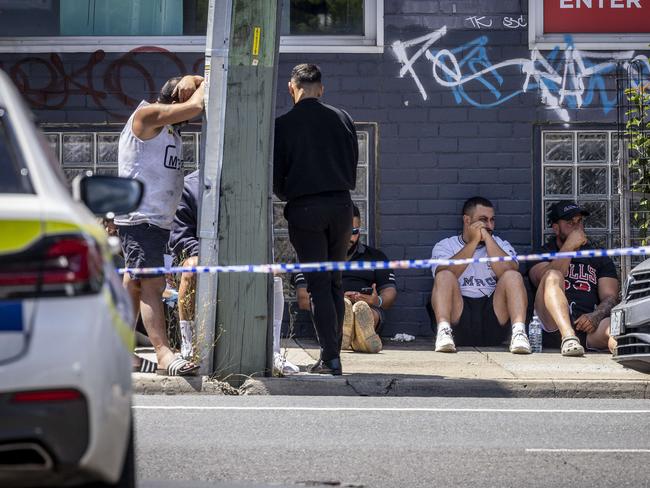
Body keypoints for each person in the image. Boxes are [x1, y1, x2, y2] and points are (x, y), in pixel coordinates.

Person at [115, 74, 205, 376]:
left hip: (157, 221)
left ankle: (120, 351)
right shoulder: (147, 115)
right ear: (173, 101)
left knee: (134, 283)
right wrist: (207, 79)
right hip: (142, 218)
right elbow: (195, 106)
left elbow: (191, 104)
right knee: (151, 284)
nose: (187, 121)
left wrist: (194, 77)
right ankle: (164, 354)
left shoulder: (167, 130)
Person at [273, 63, 358, 375]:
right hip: (341, 205)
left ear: (292, 88)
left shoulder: (283, 125)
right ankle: (332, 355)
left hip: (305, 207)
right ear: (321, 88)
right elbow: (353, 163)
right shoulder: (343, 118)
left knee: (318, 285)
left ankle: (331, 359)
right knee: (334, 282)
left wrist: (291, 195)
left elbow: (276, 176)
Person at [430, 196, 531, 354]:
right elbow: (446, 274)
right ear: (467, 220)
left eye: (492, 220)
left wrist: (488, 239)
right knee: (444, 275)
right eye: (483, 220)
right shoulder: (445, 245)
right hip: (459, 316)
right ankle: (443, 331)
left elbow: (508, 271)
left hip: (493, 317)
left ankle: (519, 332)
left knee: (513, 276)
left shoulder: (501, 244)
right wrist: (473, 243)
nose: (489, 226)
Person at [294, 205, 397, 353]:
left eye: (353, 231)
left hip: (369, 309)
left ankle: (351, 335)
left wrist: (376, 301)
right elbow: (304, 300)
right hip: (330, 312)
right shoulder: (312, 258)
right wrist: (337, 299)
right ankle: (358, 339)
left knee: (363, 310)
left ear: (359, 230)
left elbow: (390, 292)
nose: (349, 237)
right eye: (344, 231)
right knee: (341, 307)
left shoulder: (376, 257)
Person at [527, 201, 619, 356]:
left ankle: (625, 358)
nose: (577, 227)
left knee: (613, 328)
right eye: (570, 223)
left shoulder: (597, 256)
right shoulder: (543, 252)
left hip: (587, 326)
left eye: (579, 222)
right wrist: (569, 246)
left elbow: (610, 297)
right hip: (551, 324)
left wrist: (596, 316)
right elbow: (540, 279)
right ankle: (568, 336)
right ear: (556, 228)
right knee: (553, 275)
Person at [168, 170, 199, 360]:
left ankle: (273, 349)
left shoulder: (249, 183)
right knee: (193, 267)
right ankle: (189, 345)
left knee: (274, 272)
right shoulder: (189, 186)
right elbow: (181, 238)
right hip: (197, 255)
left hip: (240, 254)